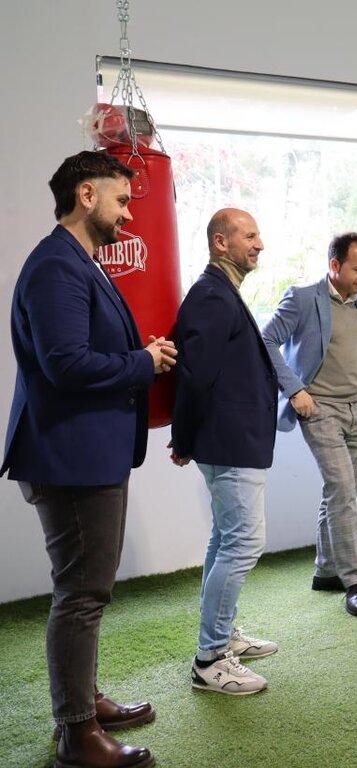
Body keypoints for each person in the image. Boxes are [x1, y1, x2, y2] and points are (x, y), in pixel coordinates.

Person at [2, 151, 177, 768]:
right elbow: (66, 364)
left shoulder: (79, 262)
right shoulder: (57, 265)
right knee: (80, 594)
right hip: (69, 456)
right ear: (86, 196)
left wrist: (137, 353)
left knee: (86, 591)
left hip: (83, 452)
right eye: (121, 200)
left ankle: (84, 700)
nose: (128, 214)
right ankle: (77, 734)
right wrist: (143, 363)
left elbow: (82, 349)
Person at [171, 208, 279, 695]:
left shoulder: (221, 292)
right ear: (221, 242)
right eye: (249, 236)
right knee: (243, 543)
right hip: (228, 440)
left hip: (232, 438)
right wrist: (184, 438)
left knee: (226, 539)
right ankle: (210, 658)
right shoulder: (212, 295)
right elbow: (195, 376)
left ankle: (222, 635)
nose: (259, 244)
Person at [261, 232, 357, 617]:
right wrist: (294, 389)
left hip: (356, 408)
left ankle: (326, 571)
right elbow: (266, 340)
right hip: (320, 409)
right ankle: (354, 580)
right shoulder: (302, 298)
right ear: (334, 265)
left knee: (342, 492)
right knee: (342, 488)